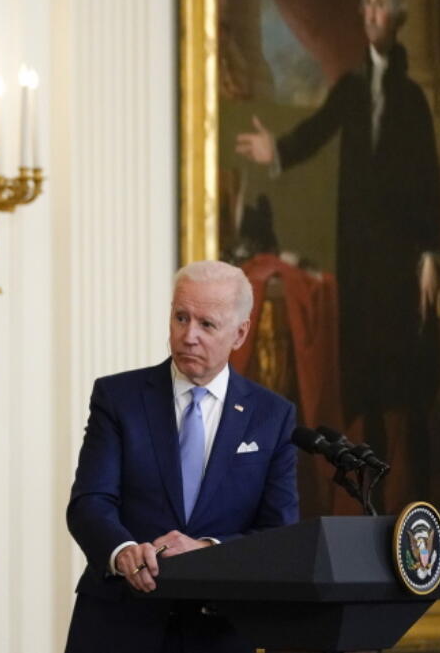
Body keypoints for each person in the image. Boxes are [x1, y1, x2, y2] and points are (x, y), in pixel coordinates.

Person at [234, 0, 440, 510]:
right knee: (366, 373)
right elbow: (317, 131)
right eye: (367, 3)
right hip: (360, 254)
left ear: (398, 17)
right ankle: (375, 501)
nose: (374, 13)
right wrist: (275, 150)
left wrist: (428, 255)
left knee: (408, 375)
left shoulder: (413, 99)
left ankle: (420, 501)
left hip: (402, 256)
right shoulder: (350, 88)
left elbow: (428, 178)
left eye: (383, 4)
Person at [65, 260, 298, 653]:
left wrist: (209, 552)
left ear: (239, 334)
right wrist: (123, 552)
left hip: (218, 630)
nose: (189, 336)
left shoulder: (272, 416)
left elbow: (279, 532)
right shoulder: (118, 398)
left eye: (207, 324)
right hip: (119, 623)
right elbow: (90, 503)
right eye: (180, 317)